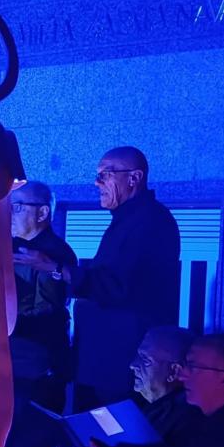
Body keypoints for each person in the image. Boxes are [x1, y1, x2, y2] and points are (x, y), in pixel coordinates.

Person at [14, 146, 180, 407]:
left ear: (134, 178)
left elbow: (117, 286)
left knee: (107, 437)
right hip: (102, 359)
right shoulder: (126, 221)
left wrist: (56, 268)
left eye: (106, 174)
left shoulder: (150, 221)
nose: (97, 182)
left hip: (118, 361)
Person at [6, 180, 78, 447]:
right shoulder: (10, 248)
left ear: (42, 212)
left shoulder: (56, 254)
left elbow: (42, 308)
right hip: (10, 367)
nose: (11, 214)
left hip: (38, 371)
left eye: (18, 207)